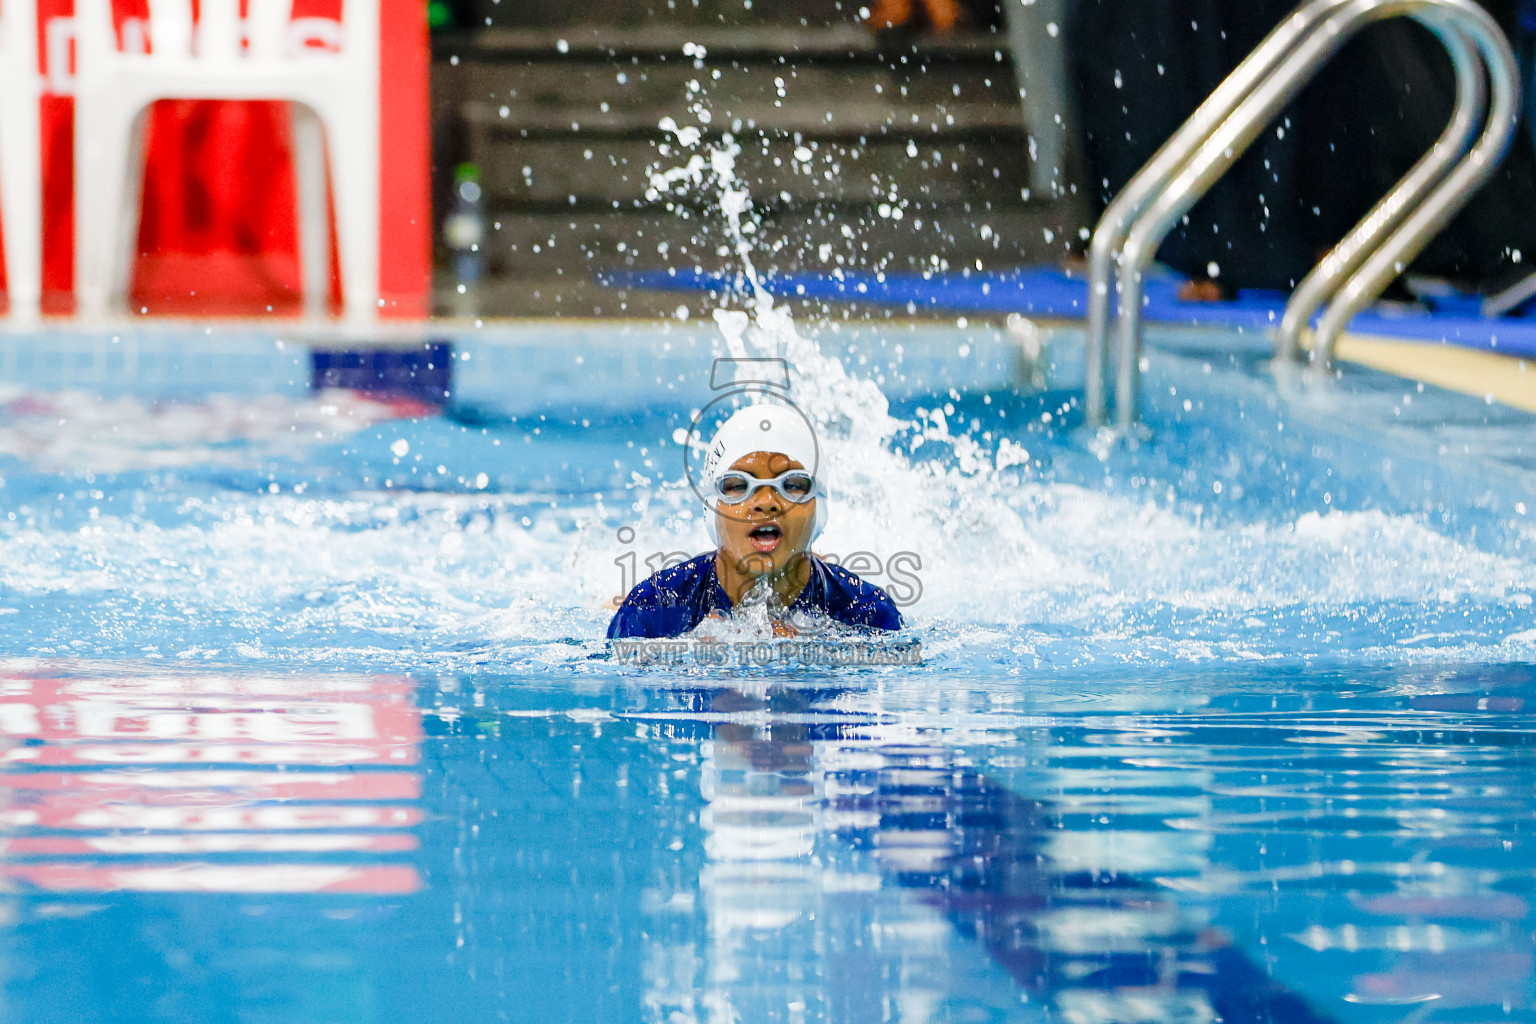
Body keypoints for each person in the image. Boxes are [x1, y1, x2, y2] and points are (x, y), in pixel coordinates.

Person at [607, 405, 902, 639]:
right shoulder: (652, 606)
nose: (765, 502)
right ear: (710, 508)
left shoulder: (868, 612)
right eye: (737, 486)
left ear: (819, 508)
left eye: (792, 485)